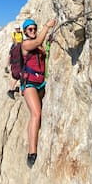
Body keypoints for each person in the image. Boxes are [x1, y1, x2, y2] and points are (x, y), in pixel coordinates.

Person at [20, 17, 56, 167]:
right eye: (30, 29)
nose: (33, 31)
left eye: (35, 28)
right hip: (30, 84)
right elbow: (37, 42)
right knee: (36, 114)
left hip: (41, 83)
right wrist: (47, 26)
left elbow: (42, 48)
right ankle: (32, 151)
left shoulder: (38, 46)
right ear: (25, 31)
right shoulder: (26, 44)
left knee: (36, 115)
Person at [7, 27, 23, 98]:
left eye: (18, 28)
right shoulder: (14, 35)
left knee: (19, 76)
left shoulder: (21, 34)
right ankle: (11, 90)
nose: (18, 29)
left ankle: (18, 90)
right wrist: (7, 65)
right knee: (16, 76)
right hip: (16, 63)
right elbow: (9, 56)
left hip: (20, 48)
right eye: (17, 29)